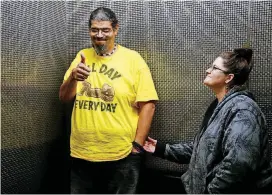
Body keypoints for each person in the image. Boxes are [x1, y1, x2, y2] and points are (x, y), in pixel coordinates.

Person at [144, 48, 272, 194]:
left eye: (214, 68)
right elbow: (203, 149)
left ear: (228, 78)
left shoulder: (243, 110)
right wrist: (161, 149)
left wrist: (210, 192)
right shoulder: (219, 106)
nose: (207, 70)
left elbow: (238, 165)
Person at [59, 7, 158, 194]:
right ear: (89, 30)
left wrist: (137, 146)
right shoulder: (82, 57)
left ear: (115, 29)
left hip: (122, 155)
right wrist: (73, 77)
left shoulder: (133, 60)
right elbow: (64, 98)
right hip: (82, 153)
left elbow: (149, 105)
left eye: (105, 30)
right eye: (94, 30)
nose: (99, 35)